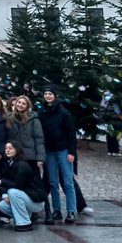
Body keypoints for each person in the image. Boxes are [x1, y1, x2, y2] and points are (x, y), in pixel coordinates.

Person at [39, 87, 77, 224]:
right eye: (46, 93)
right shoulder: (42, 112)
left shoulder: (63, 113)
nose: (48, 96)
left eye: (50, 94)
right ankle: (56, 209)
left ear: (55, 95)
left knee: (68, 182)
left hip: (63, 150)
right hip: (49, 151)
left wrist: (72, 152)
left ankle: (71, 210)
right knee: (53, 182)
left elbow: (71, 133)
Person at [5, 95, 46, 222]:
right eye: (19, 102)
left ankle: (45, 210)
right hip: (17, 156)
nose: (20, 105)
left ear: (27, 106)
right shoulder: (10, 118)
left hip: (30, 157)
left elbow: (39, 139)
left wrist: (40, 157)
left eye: (23, 103)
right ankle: (25, 211)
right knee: (19, 183)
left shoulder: (34, 119)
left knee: (37, 184)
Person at [0, 142, 48, 231]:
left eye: (10, 148)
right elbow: (5, 179)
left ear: (17, 150)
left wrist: (2, 182)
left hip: (36, 201)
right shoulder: (8, 163)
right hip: (25, 198)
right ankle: (25, 217)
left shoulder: (22, 164)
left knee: (12, 192)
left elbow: (18, 184)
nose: (7, 150)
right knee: (2, 205)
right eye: (6, 148)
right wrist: (4, 195)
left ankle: (24, 224)